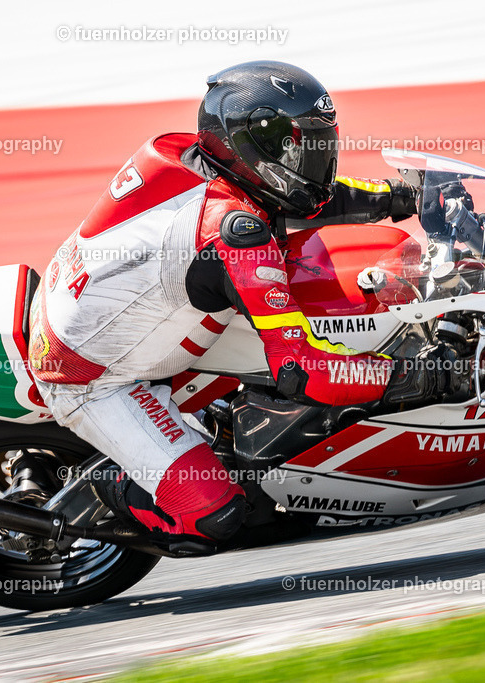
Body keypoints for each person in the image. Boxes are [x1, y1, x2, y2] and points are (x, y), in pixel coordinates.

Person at [27, 61, 452, 555]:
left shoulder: (193, 153)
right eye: (297, 146)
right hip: (95, 377)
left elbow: (303, 198)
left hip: (103, 306)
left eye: (318, 143)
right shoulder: (233, 234)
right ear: (254, 147)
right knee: (218, 516)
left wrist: (405, 196)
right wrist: (423, 379)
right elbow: (305, 370)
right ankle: (113, 485)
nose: (313, 158)